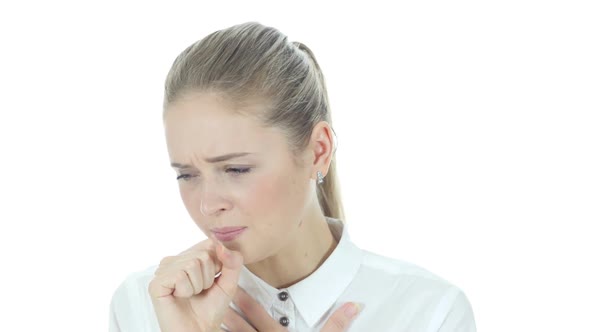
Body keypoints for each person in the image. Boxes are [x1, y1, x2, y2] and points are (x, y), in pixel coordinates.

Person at [109, 21, 477, 332]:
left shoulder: (428, 313)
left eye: (236, 169)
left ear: (318, 150)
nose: (207, 204)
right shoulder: (148, 305)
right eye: (186, 175)